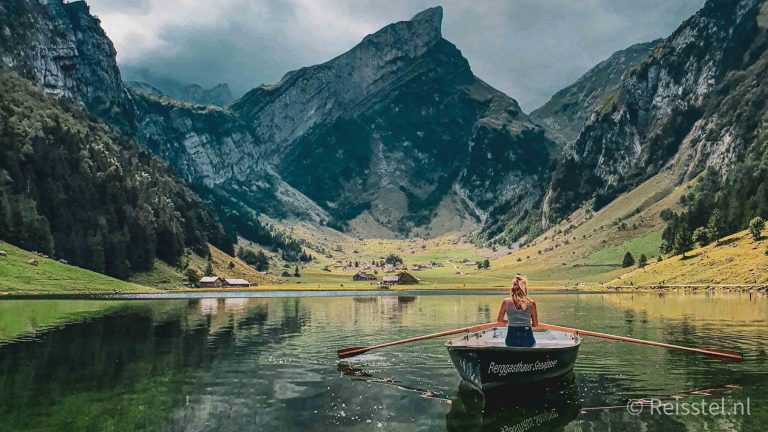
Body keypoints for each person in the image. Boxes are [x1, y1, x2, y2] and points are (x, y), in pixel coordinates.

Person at [496, 274, 538, 347]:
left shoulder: (506, 302)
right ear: (524, 288)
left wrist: (510, 322)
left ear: (512, 288)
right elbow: (535, 324)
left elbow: (499, 320)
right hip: (527, 338)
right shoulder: (531, 303)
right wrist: (525, 322)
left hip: (511, 339)